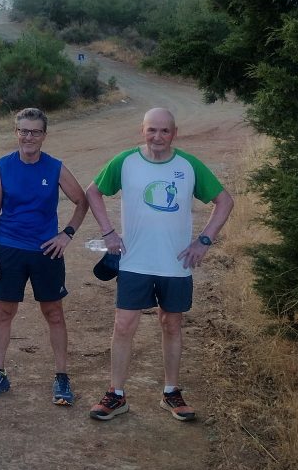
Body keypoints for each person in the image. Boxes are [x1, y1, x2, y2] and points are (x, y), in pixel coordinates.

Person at [85, 107, 234, 422]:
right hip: (134, 261)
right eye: (152, 129)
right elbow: (93, 192)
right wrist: (108, 232)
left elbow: (224, 201)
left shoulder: (188, 165)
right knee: (124, 325)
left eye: (165, 130)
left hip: (174, 264)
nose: (158, 136)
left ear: (175, 133)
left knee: (171, 324)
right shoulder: (125, 161)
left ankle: (171, 393)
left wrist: (204, 240)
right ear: (142, 131)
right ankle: (116, 395)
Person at [0, 108, 89, 404]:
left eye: (35, 132)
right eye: (24, 131)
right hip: (10, 249)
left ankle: (62, 377)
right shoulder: (2, 166)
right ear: (16, 133)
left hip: (46, 252)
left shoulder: (55, 167)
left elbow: (82, 201)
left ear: (44, 135)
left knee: (54, 313)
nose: (29, 137)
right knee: (4, 312)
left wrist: (66, 234)